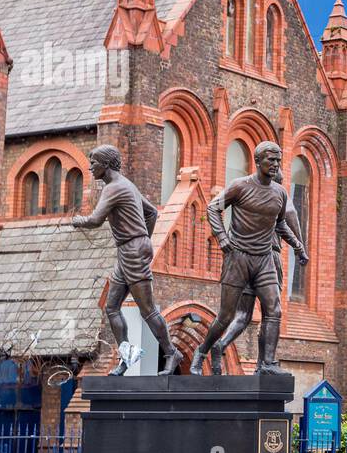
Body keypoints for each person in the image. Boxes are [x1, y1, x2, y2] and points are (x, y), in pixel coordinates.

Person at [191, 141, 306, 376]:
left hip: (264, 259)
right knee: (226, 316)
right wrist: (222, 237)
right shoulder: (240, 186)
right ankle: (202, 351)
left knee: (273, 310)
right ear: (257, 161)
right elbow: (213, 208)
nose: (275, 164)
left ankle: (267, 364)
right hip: (238, 258)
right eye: (270, 160)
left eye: (277, 160)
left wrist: (297, 246)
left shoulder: (280, 193)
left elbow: (280, 223)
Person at [71, 145, 181, 376]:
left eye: (94, 163)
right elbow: (151, 212)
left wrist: (78, 220)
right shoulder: (127, 185)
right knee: (111, 307)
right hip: (129, 250)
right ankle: (127, 356)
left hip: (132, 250)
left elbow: (95, 220)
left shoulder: (114, 188)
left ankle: (171, 353)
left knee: (147, 310)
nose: (91, 167)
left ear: (107, 165)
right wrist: (143, 239)